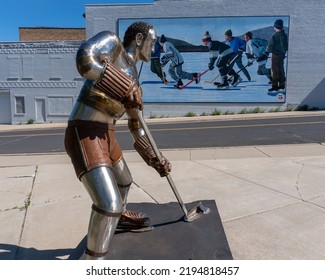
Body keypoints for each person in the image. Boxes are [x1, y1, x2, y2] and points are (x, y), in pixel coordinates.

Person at [64, 21, 171, 260]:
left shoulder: (136, 82)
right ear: (140, 39)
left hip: (107, 134)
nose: (154, 49)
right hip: (84, 131)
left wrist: (156, 159)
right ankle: (93, 262)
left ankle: (119, 220)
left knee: (124, 181)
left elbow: (137, 126)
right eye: (152, 43)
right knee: (108, 203)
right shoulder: (113, 45)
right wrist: (124, 86)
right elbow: (84, 60)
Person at [258, 19, 288, 91]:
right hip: (282, 55)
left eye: (274, 26)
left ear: (276, 27)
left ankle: (275, 86)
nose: (274, 28)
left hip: (275, 55)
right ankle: (282, 84)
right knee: (281, 69)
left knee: (274, 70)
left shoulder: (275, 35)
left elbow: (270, 46)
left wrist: (266, 52)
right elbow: (286, 46)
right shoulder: (284, 35)